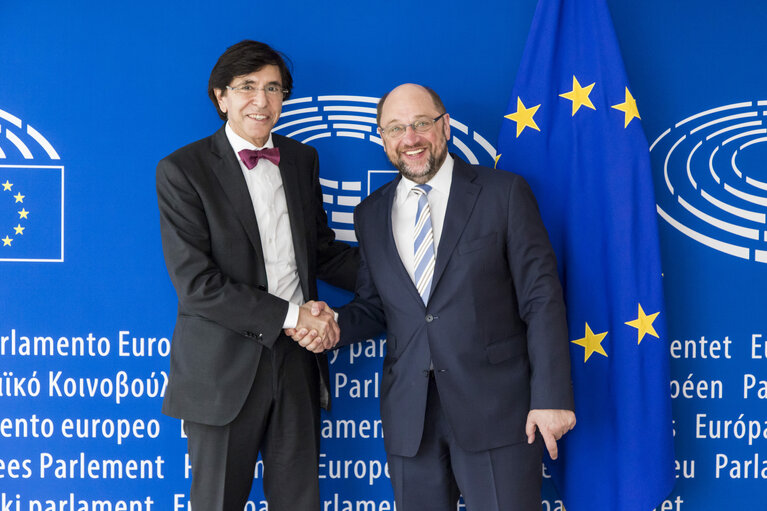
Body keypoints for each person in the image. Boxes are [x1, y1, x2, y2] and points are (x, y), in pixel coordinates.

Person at [290, 83, 576, 510]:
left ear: (443, 127)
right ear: (383, 138)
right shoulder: (370, 213)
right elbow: (374, 307)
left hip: (498, 412)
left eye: (421, 124)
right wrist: (330, 329)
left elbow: (541, 298)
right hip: (411, 421)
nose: (411, 138)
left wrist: (551, 397)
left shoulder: (504, 194)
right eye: (396, 128)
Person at [156, 40, 357, 511]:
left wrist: (404, 275)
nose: (261, 101)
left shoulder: (302, 159)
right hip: (222, 368)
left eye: (273, 89)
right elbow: (196, 286)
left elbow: (320, 251)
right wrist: (295, 316)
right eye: (247, 87)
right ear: (221, 96)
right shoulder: (182, 170)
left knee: (299, 501)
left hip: (296, 363)